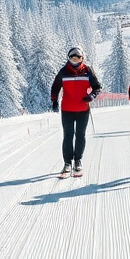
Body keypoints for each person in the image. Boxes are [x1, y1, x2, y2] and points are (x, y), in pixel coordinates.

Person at [50, 47, 103, 177]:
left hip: (83, 109)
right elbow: (55, 87)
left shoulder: (87, 71)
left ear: (82, 58)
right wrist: (54, 101)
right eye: (72, 58)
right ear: (69, 58)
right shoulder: (63, 72)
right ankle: (67, 163)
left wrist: (91, 97)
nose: (75, 60)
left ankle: (78, 161)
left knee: (80, 135)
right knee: (68, 136)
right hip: (67, 109)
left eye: (77, 58)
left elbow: (97, 87)